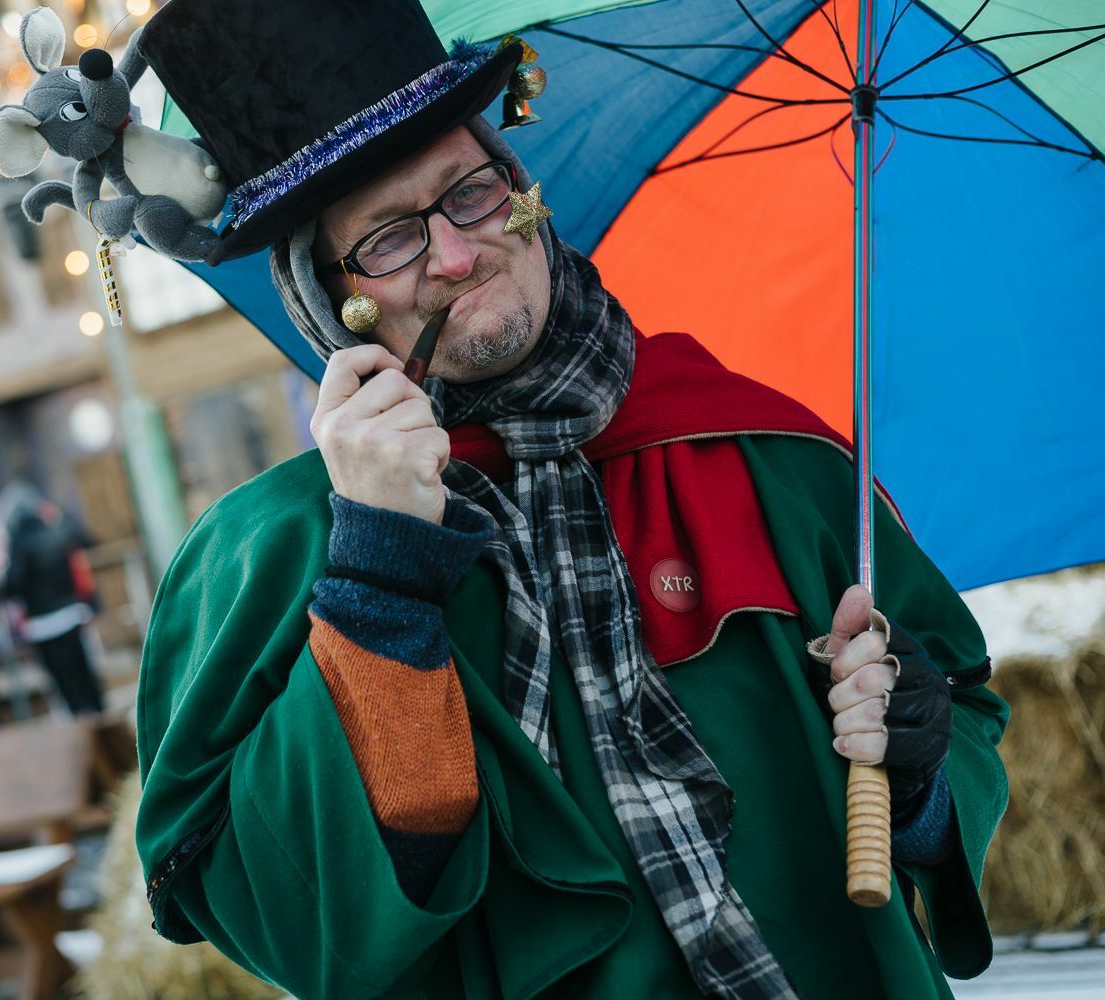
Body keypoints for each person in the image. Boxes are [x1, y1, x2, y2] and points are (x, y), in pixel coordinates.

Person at [128, 3, 1007, 997]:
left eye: (471, 193)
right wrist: (377, 572)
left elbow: (961, 724)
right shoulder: (273, 547)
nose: (456, 255)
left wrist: (919, 780)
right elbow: (288, 917)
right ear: (328, 297)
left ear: (522, 193)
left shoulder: (770, 451)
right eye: (388, 238)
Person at [1, 482, 104, 716]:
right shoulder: (56, 530)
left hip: (43, 623)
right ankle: (99, 711)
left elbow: (13, 583)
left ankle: (80, 717)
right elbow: (85, 540)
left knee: (61, 675)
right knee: (82, 667)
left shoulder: (19, 542)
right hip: (70, 612)